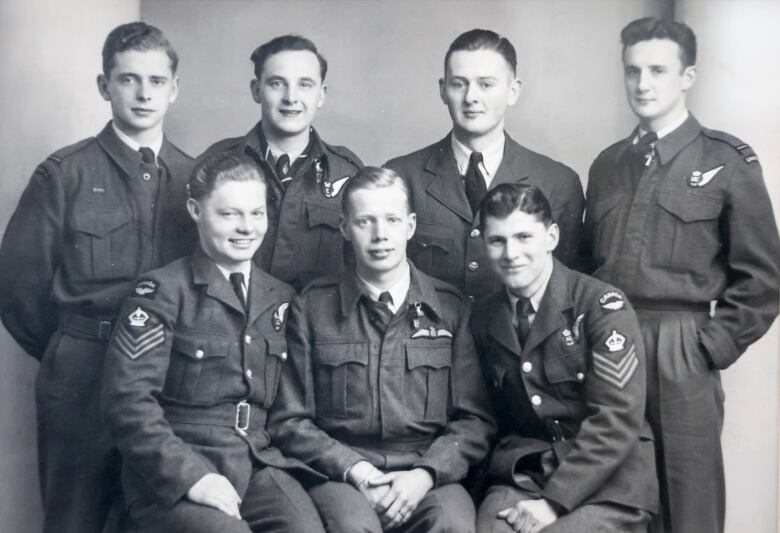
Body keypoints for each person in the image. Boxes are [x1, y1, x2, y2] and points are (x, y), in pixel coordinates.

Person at [583, 17, 780, 533]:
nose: (643, 84)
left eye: (657, 71)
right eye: (632, 71)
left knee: (687, 503)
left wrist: (706, 348)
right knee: (611, 493)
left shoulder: (726, 161)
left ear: (687, 76)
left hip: (680, 347)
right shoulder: (607, 165)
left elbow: (763, 278)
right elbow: (584, 267)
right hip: (608, 345)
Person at [0, 22, 196, 533]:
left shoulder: (197, 180)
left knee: (156, 520)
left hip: (167, 380)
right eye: (128, 79)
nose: (144, 93)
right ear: (104, 86)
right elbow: (17, 292)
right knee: (73, 520)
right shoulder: (64, 174)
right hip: (81, 377)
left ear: (174, 89)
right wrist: (73, 346)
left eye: (157, 80)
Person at [100, 153, 326, 533]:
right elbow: (129, 404)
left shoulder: (281, 296)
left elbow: (291, 409)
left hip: (255, 461)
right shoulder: (162, 292)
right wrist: (192, 477)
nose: (246, 228)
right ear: (195, 210)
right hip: (176, 467)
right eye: (229, 214)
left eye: (257, 214)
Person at [270, 167, 496, 532]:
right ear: (344, 228)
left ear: (410, 226)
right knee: (352, 528)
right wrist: (356, 471)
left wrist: (424, 474)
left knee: (452, 525)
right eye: (365, 222)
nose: (380, 235)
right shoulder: (312, 307)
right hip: (343, 471)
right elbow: (290, 421)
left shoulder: (449, 308)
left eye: (391, 220)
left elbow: (474, 420)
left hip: (426, 468)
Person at [472, 183, 657, 533]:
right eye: (497, 241)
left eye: (524, 237)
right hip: (528, 472)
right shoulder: (483, 317)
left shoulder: (601, 305)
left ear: (552, 236)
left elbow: (616, 420)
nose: (511, 253)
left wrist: (554, 502)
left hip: (611, 480)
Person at [385, 28, 584, 301]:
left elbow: (565, 293)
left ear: (513, 91)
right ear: (443, 90)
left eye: (486, 84)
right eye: (459, 84)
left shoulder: (558, 182)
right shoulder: (401, 177)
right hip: (429, 340)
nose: (470, 98)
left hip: (515, 342)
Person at [202, 34, 363, 292]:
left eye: (305, 85)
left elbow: (359, 268)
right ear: (256, 90)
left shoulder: (347, 172)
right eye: (277, 84)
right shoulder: (217, 163)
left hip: (316, 326)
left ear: (321, 95)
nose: (291, 97)